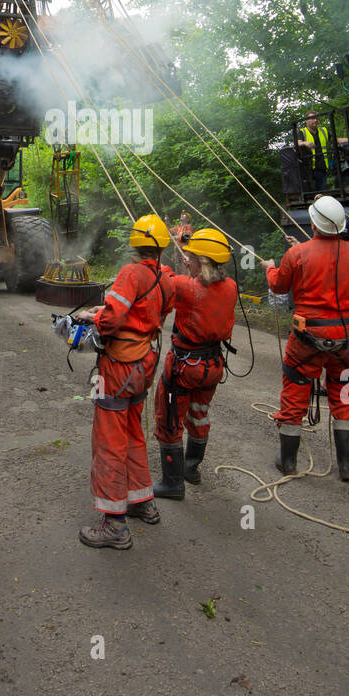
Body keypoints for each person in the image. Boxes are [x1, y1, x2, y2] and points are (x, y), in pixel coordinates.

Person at [260, 195, 349, 482]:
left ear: (313, 224)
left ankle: (288, 461)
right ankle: (346, 464)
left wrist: (270, 266)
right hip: (348, 341)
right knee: (344, 397)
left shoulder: (298, 254)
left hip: (307, 341)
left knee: (295, 393)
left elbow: (278, 284)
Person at [77, 215, 174, 549]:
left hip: (119, 366)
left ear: (135, 243)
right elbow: (156, 312)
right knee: (134, 431)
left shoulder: (131, 273)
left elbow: (114, 317)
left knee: (109, 440)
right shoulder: (165, 277)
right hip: (144, 364)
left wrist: (95, 318)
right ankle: (141, 501)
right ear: (161, 246)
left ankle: (114, 524)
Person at [153, 228, 238, 499]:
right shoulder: (230, 287)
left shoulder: (186, 287)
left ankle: (172, 483)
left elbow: (163, 277)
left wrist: (156, 255)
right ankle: (191, 468)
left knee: (169, 419)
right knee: (199, 413)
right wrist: (184, 245)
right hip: (212, 367)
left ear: (201, 261)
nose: (186, 260)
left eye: (190, 257)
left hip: (185, 367)